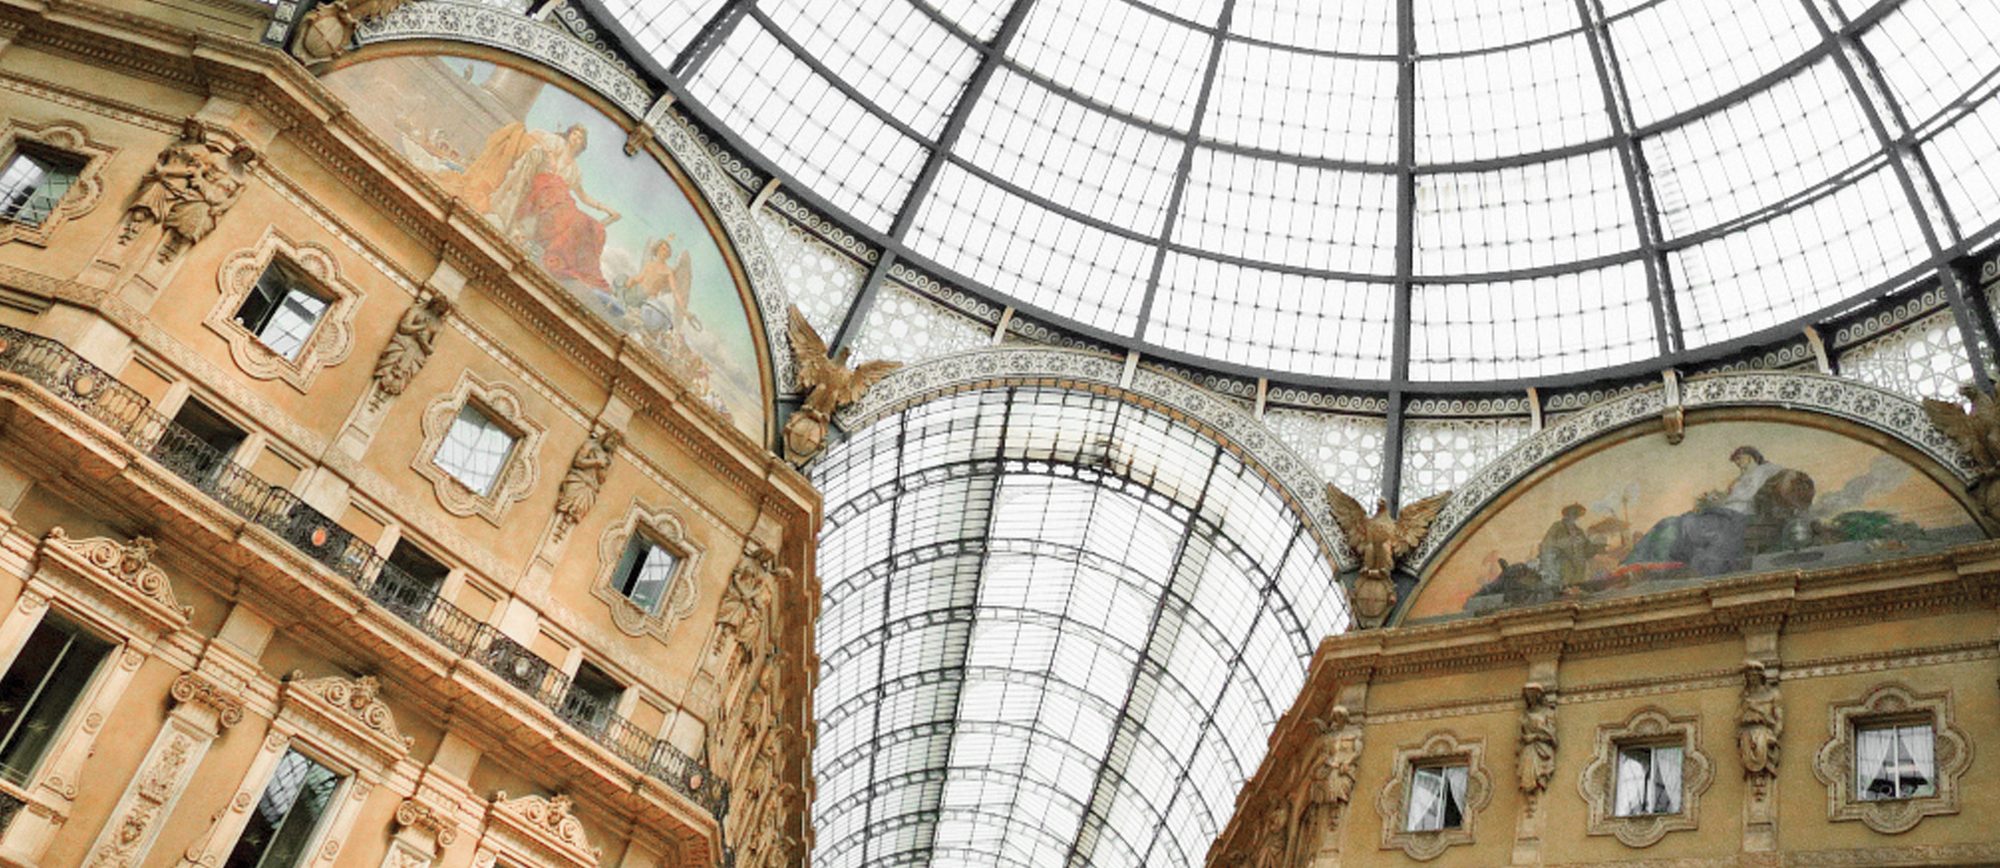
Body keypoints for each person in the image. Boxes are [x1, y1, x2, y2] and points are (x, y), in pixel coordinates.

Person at [1537, 503, 1603, 588]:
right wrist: (1567, 542)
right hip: (1562, 564)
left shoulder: (1579, 531)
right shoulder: (1557, 526)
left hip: (1579, 565)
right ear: (1567, 515)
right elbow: (1547, 544)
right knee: (1565, 586)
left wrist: (1597, 548)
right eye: (1573, 513)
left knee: (1578, 587)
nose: (1575, 517)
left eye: (1577, 514)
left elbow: (1587, 548)